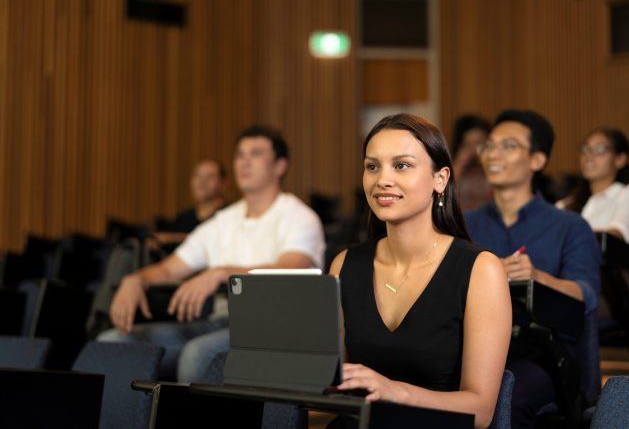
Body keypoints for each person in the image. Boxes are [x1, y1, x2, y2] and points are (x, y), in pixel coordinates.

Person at [99, 125, 325, 382]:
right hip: (219, 323)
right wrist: (136, 279)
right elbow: (169, 269)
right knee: (112, 343)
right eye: (240, 154)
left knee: (197, 354)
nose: (244, 162)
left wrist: (220, 274)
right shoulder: (222, 221)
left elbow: (290, 269)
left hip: (274, 330)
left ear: (280, 166)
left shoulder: (299, 216)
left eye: (256, 153)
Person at [329, 114, 512, 429]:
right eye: (372, 166)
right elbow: (336, 382)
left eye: (401, 166)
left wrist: (392, 390)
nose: (382, 179)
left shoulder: (481, 270)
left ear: (440, 179)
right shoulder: (344, 264)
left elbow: (481, 412)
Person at [464, 109, 601, 428]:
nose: (493, 154)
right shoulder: (465, 224)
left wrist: (535, 277)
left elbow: (586, 296)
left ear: (538, 160)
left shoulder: (570, 227)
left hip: (540, 353)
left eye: (509, 146)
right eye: (489, 145)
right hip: (471, 347)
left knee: (508, 396)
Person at [557, 128, 629, 282]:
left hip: (612, 285)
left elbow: (614, 239)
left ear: (620, 159)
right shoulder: (568, 202)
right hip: (568, 276)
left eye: (599, 149)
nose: (589, 155)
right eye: (585, 149)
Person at [150, 159, 228, 255]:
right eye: (197, 176)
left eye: (209, 177)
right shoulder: (183, 218)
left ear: (223, 184)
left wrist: (174, 238)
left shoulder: (229, 215)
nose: (202, 182)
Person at [451, 114, 492, 212]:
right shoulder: (451, 166)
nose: (473, 150)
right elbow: (445, 195)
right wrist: (459, 164)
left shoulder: (494, 165)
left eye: (479, 143)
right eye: (468, 145)